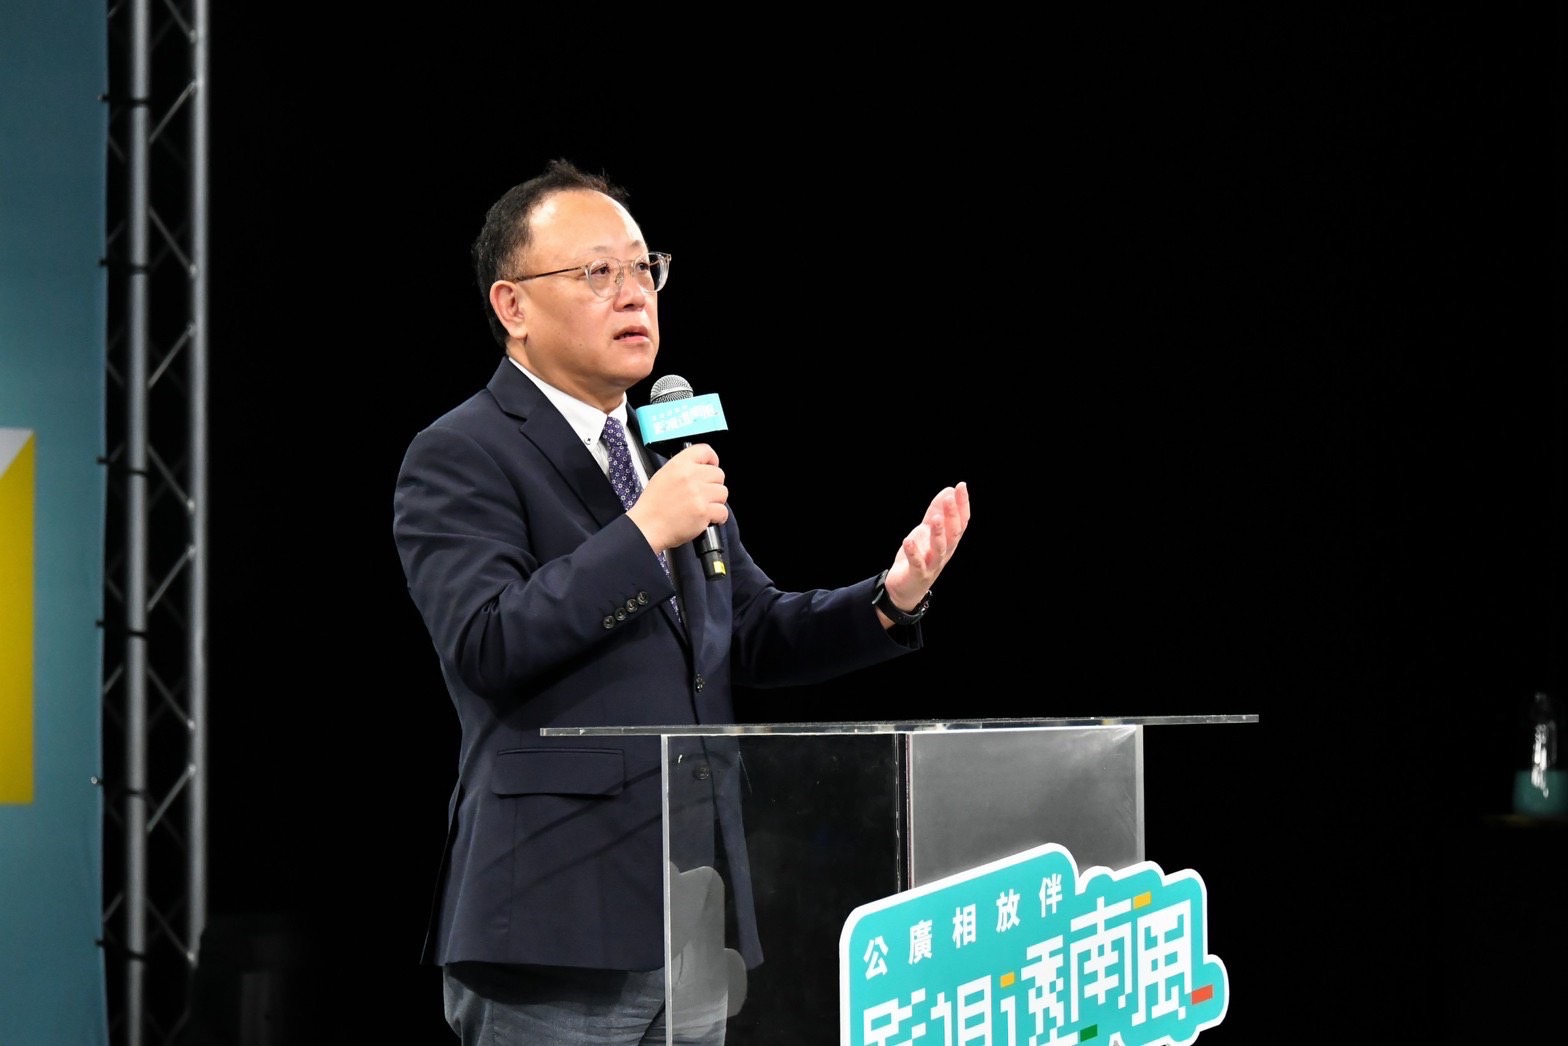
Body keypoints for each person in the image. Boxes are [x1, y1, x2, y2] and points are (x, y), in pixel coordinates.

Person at [391, 157, 971, 1045]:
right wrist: (640, 534)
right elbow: (487, 641)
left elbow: (749, 631)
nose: (634, 294)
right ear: (513, 307)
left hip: (698, 916)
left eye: (643, 268)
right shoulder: (461, 451)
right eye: (598, 272)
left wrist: (890, 600)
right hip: (553, 924)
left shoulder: (663, 449)